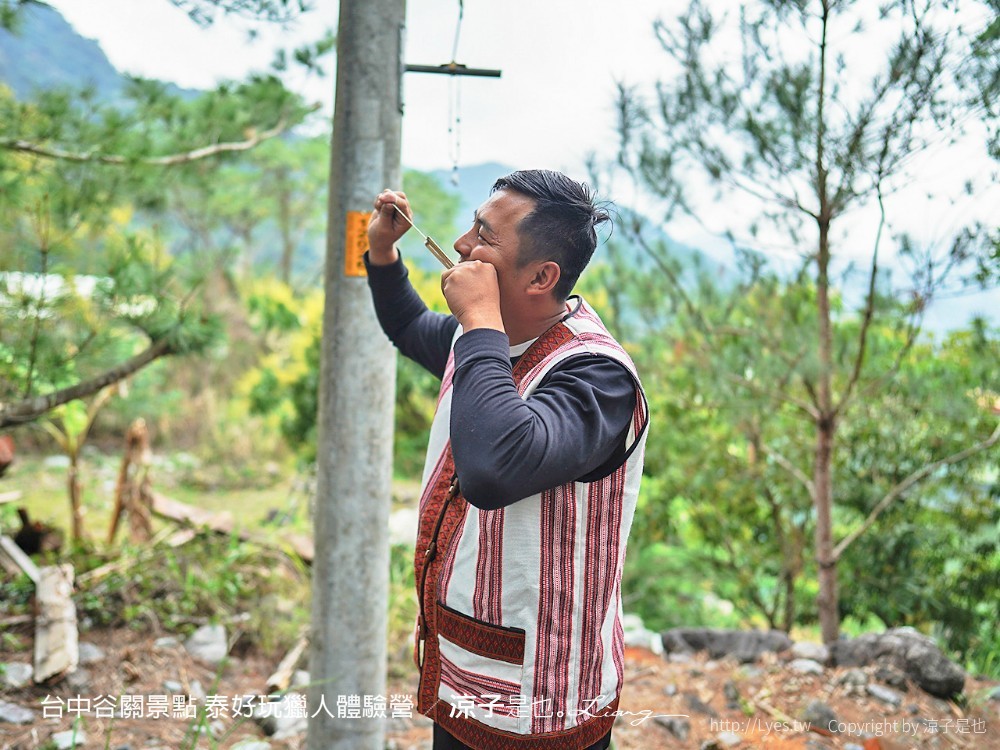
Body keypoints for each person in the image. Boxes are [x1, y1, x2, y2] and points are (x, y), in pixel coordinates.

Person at [365, 170, 648, 750]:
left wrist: (478, 323)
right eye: (472, 226)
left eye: (485, 236)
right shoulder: (486, 342)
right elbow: (412, 327)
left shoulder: (598, 378)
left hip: (546, 700)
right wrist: (381, 251)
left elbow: (494, 469)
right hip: (466, 673)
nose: (464, 245)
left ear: (542, 277)